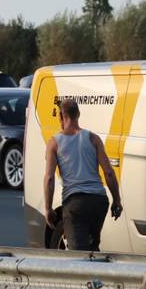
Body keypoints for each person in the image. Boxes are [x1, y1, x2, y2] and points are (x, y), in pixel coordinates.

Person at [43, 98, 122, 251]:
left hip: (75, 204)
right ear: (78, 114)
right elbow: (109, 173)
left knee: (78, 254)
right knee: (91, 248)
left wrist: (48, 208)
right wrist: (116, 200)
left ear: (61, 116)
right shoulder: (93, 138)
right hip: (99, 201)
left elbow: (49, 178)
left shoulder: (54, 143)